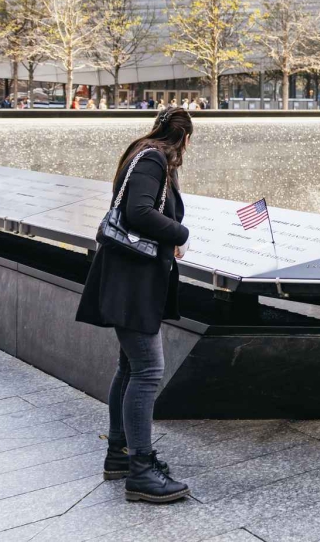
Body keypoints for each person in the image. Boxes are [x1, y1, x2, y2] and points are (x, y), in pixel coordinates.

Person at [75, 108, 194, 504]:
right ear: (185, 139)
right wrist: (179, 232)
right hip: (131, 282)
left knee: (129, 367)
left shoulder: (142, 153)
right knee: (147, 370)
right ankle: (141, 471)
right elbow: (138, 212)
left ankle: (119, 455)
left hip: (128, 278)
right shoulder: (154, 158)